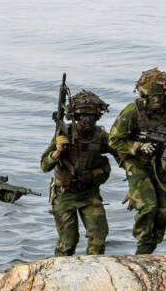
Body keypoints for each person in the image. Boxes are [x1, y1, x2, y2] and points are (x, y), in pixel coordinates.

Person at [108, 69, 166, 255]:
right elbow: (113, 140)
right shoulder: (132, 112)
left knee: (163, 212)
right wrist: (138, 146)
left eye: (160, 96)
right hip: (136, 163)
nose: (156, 101)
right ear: (144, 95)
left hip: (162, 164)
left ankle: (150, 247)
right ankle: (143, 248)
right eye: (152, 97)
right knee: (148, 206)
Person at [42, 90, 114, 256]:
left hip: (89, 193)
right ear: (75, 116)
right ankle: (58, 274)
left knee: (99, 236)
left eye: (91, 116)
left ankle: (93, 271)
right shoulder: (64, 134)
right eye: (83, 115)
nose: (87, 120)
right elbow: (44, 165)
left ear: (97, 117)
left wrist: (136, 185)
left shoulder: (100, 136)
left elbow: (123, 155)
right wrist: (58, 151)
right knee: (68, 242)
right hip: (64, 193)